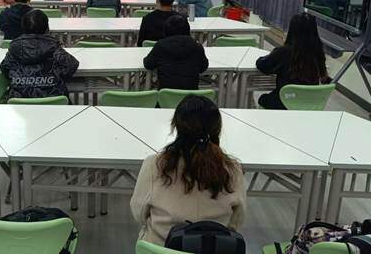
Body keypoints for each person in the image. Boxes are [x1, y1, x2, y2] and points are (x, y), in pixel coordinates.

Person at [130, 96, 246, 246]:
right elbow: (237, 221)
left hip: (162, 248)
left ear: (176, 127)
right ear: (217, 129)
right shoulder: (232, 169)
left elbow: (139, 214)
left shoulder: (155, 165)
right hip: (214, 246)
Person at [0, 9, 79, 99]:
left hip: (20, 101)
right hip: (53, 100)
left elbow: (5, 69)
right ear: (47, 28)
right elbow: (71, 66)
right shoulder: (53, 47)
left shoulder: (15, 48)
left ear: (23, 28)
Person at [256, 12, 329, 109]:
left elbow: (263, 66)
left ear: (292, 30)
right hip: (309, 104)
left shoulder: (284, 52)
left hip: (284, 102)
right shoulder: (318, 53)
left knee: (263, 99)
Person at [143, 15, 208, 90]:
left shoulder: (160, 46)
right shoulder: (196, 46)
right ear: (187, 30)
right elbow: (203, 67)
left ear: (166, 30)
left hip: (166, 95)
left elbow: (148, 64)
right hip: (191, 94)